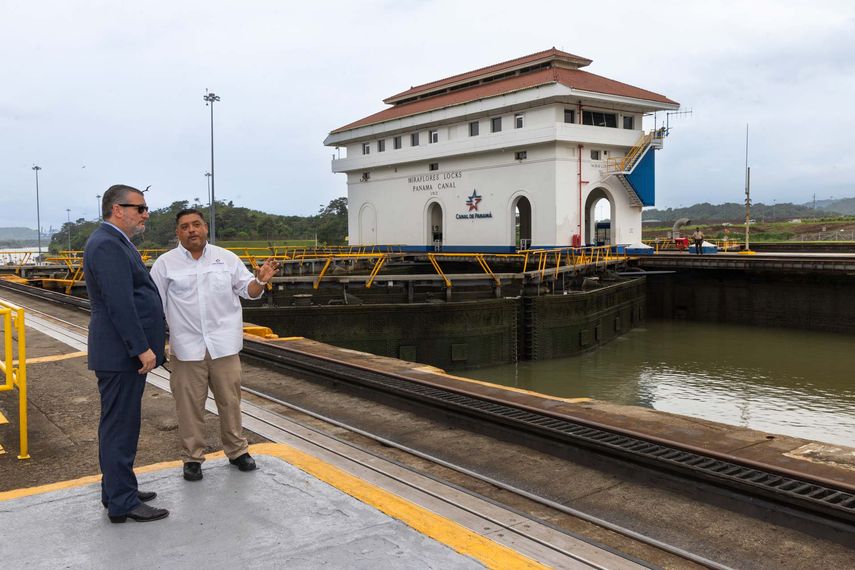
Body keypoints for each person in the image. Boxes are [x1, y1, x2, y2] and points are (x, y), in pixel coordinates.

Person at [150, 209, 279, 481]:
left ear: (205, 228)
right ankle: (192, 457)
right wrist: (158, 344)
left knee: (230, 401)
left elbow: (249, 291)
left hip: (224, 347)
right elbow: (154, 307)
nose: (191, 230)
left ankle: (237, 451)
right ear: (177, 233)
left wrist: (261, 281)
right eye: (185, 227)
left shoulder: (227, 258)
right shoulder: (165, 264)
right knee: (188, 406)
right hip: (186, 348)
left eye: (196, 225)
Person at [83, 185, 168, 523]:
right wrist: (142, 349)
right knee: (121, 427)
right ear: (118, 209)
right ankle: (122, 501)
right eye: (140, 208)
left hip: (119, 353)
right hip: (122, 355)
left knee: (118, 424)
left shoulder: (114, 241)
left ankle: (117, 488)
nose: (145, 214)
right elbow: (120, 304)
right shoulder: (107, 244)